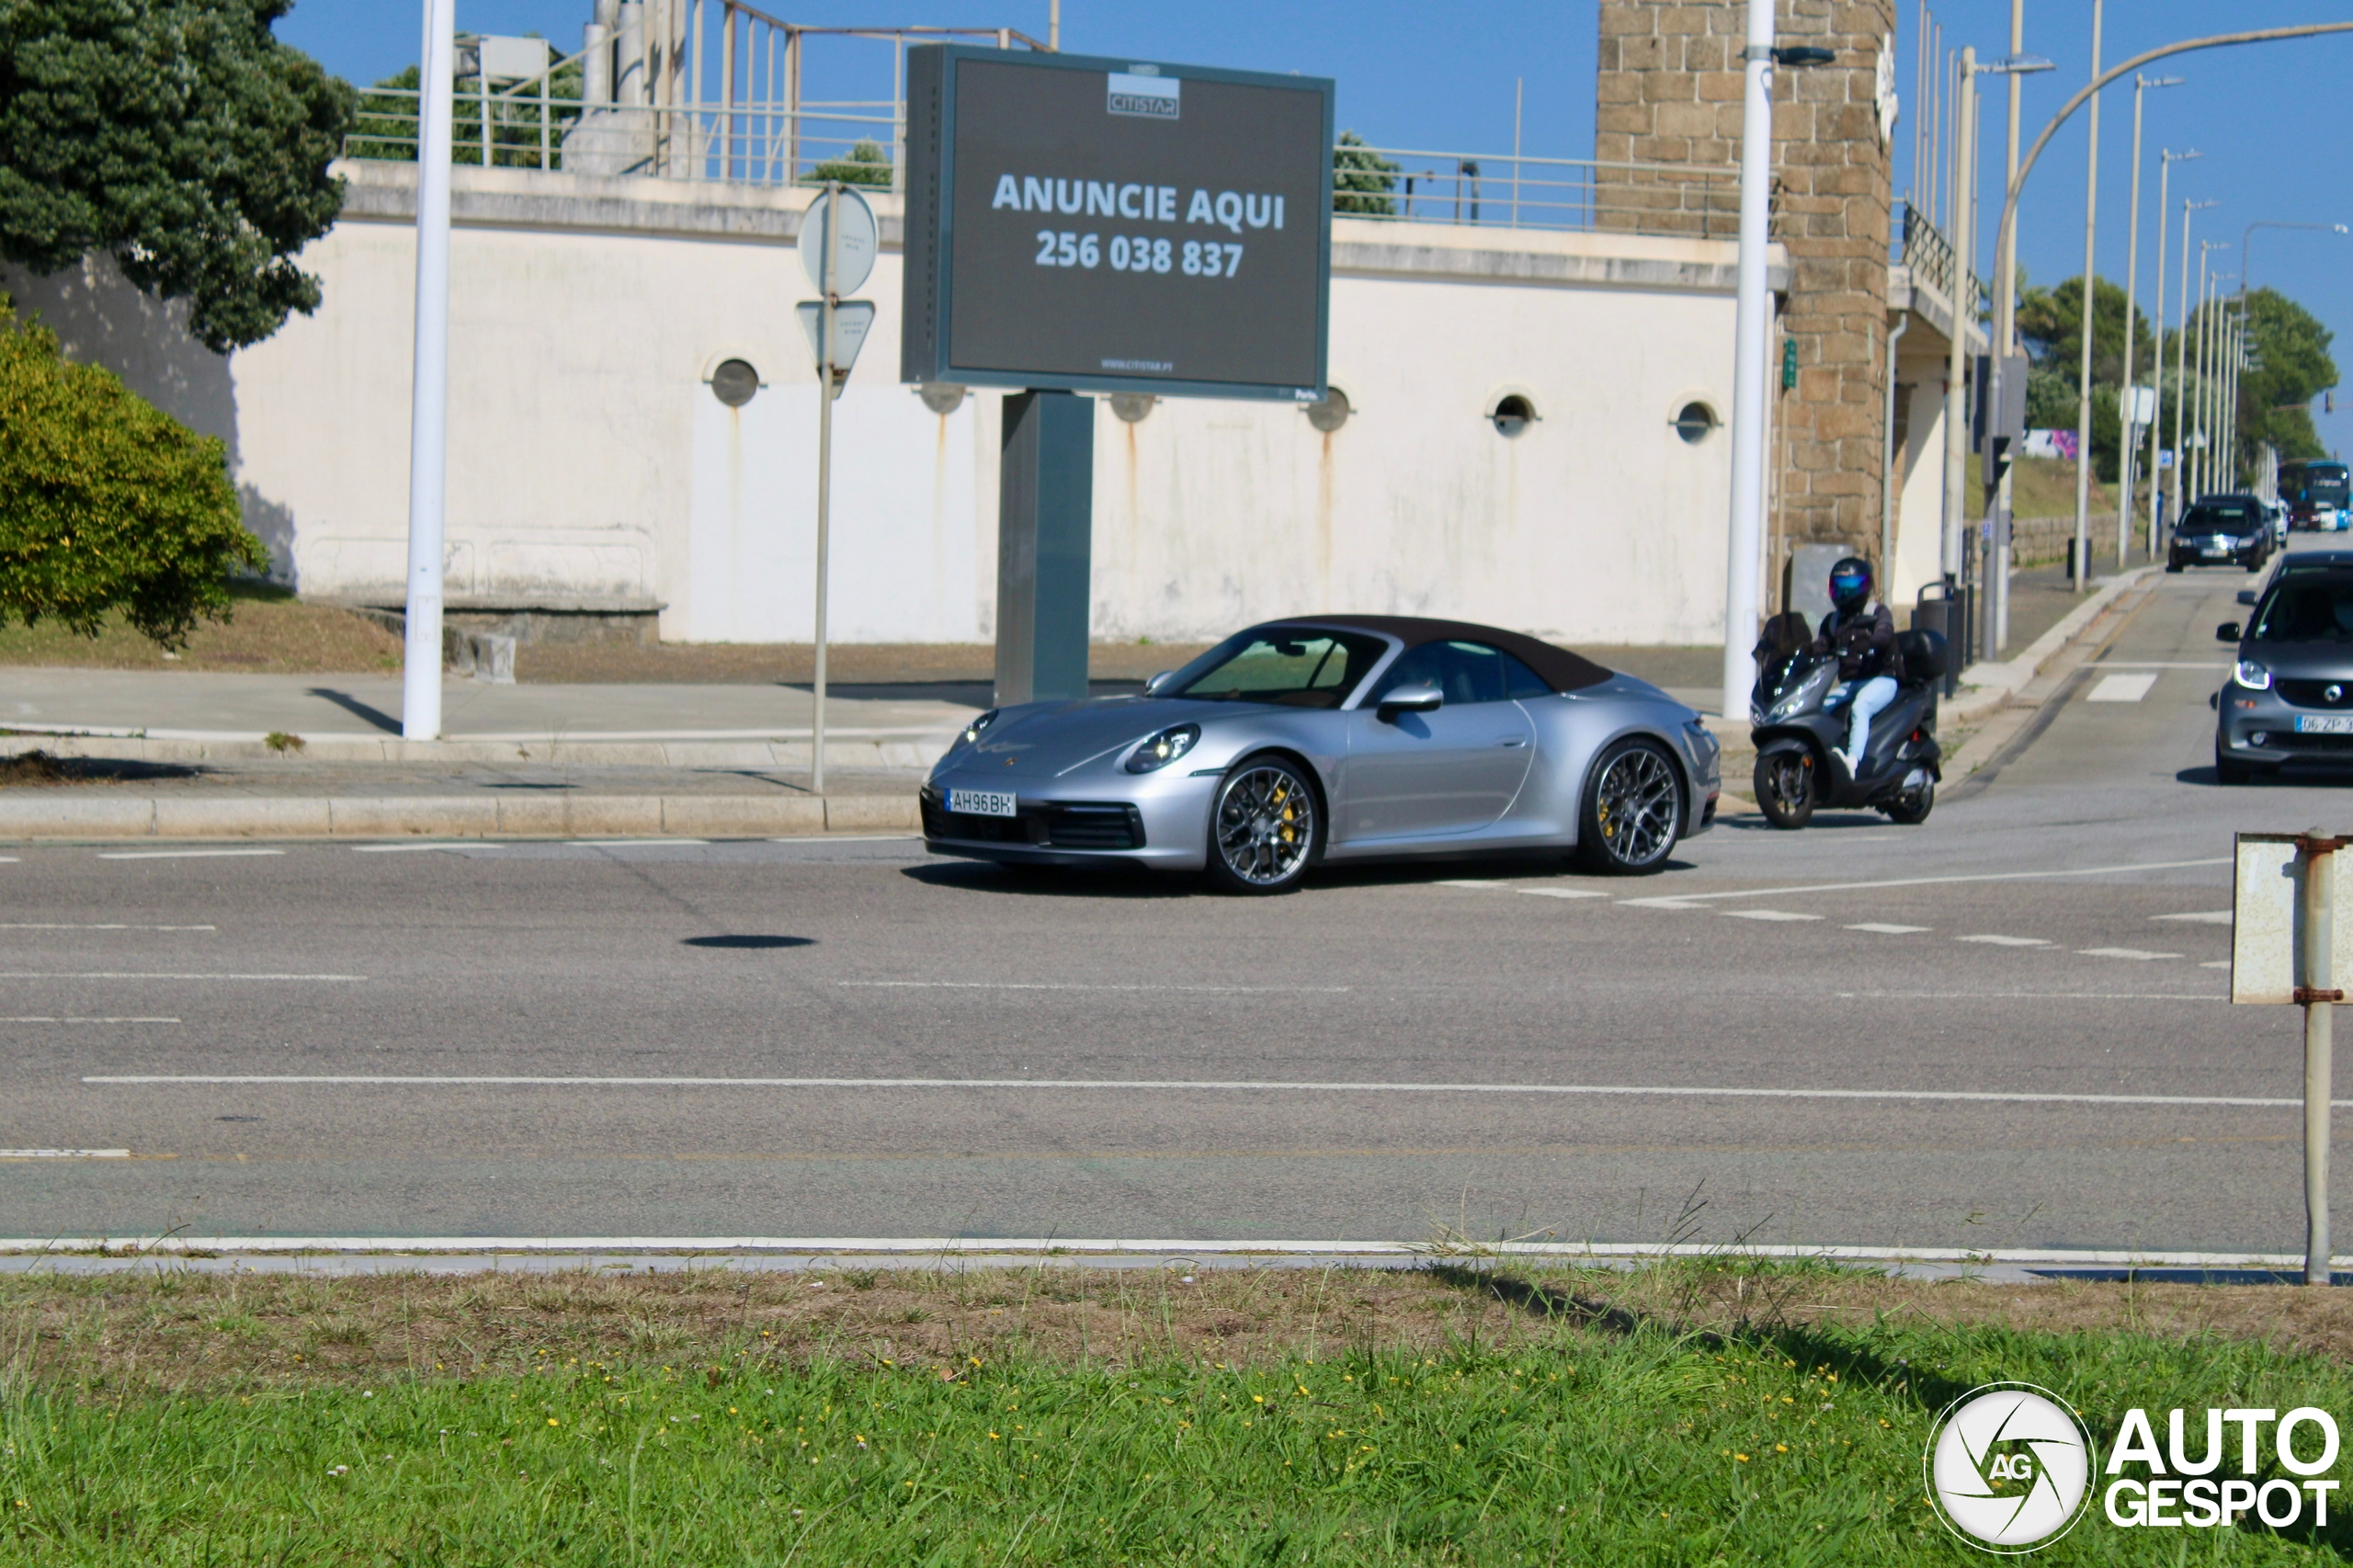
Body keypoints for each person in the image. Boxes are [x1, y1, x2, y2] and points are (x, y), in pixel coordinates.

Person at [1814, 556, 1901, 778]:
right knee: (1819, 709)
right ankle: (1821, 759)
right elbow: (1823, 643)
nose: (1846, 594)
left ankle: (1852, 763)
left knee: (1860, 707)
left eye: (1852, 587)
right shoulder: (1833, 621)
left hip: (1881, 678)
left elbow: (1885, 632)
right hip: (1850, 682)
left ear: (1865, 587)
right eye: (1841, 587)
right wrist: (1806, 650)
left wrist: (1871, 642)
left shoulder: (1876, 612)